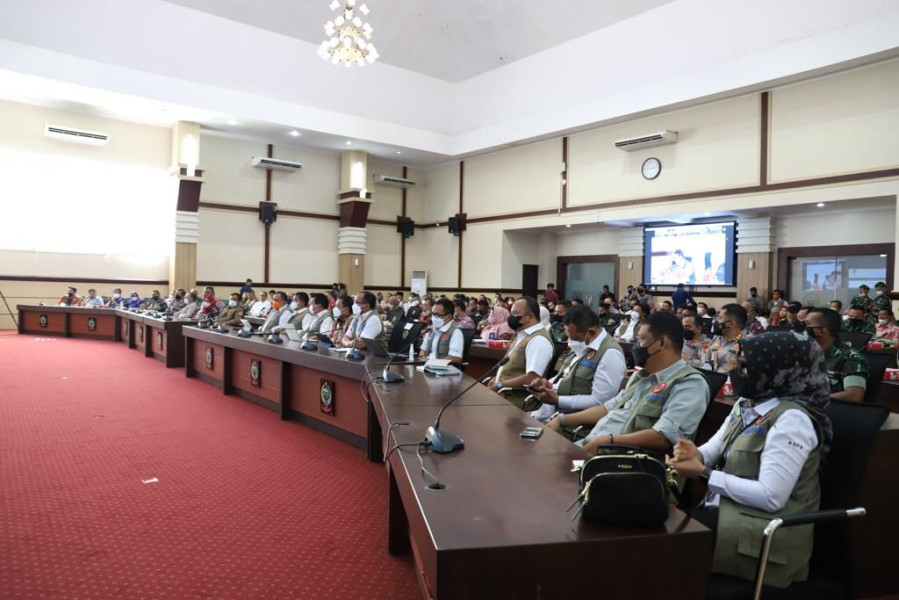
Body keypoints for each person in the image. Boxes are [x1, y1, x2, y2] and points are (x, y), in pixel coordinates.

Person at [667, 331, 831, 589]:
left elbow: (771, 496)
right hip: (731, 514)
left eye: (747, 365)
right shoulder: (748, 403)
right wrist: (694, 454)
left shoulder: (792, 420)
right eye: (739, 362)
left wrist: (704, 473)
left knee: (671, 539)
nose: (739, 371)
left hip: (767, 534)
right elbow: (716, 446)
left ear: (777, 369)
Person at [547, 311, 709, 454]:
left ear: (662, 343)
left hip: (625, 462)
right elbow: (607, 408)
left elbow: (662, 437)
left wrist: (609, 440)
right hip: (594, 448)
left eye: (642, 339)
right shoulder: (641, 376)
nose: (637, 346)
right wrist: (561, 420)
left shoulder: (689, 383)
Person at [527, 305, 626, 421]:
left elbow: (600, 402)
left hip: (575, 424)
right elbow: (569, 382)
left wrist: (557, 400)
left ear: (592, 332)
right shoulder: (583, 346)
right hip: (552, 415)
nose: (570, 342)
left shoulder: (610, 354)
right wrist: (549, 385)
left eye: (575, 338)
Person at [485, 297, 554, 409]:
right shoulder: (523, 335)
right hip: (504, 395)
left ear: (530, 317)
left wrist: (500, 384)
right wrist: (497, 379)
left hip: (516, 400)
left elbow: (532, 378)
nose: (511, 318)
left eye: (515, 314)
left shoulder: (538, 340)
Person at [805, 307, 869, 403]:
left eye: (808, 325)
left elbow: (854, 396)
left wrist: (811, 401)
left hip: (825, 410)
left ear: (823, 330)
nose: (804, 329)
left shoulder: (851, 358)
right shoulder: (804, 351)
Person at [702, 303, 746, 373]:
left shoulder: (747, 342)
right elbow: (706, 361)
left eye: (719, 318)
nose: (715, 321)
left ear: (731, 323)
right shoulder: (717, 338)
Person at [419, 298, 464, 365]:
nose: (434, 317)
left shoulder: (455, 332)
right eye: (433, 314)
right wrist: (422, 357)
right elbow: (423, 350)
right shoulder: (431, 330)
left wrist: (434, 363)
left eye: (437, 315)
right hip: (426, 366)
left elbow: (455, 358)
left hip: (443, 370)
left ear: (448, 316)